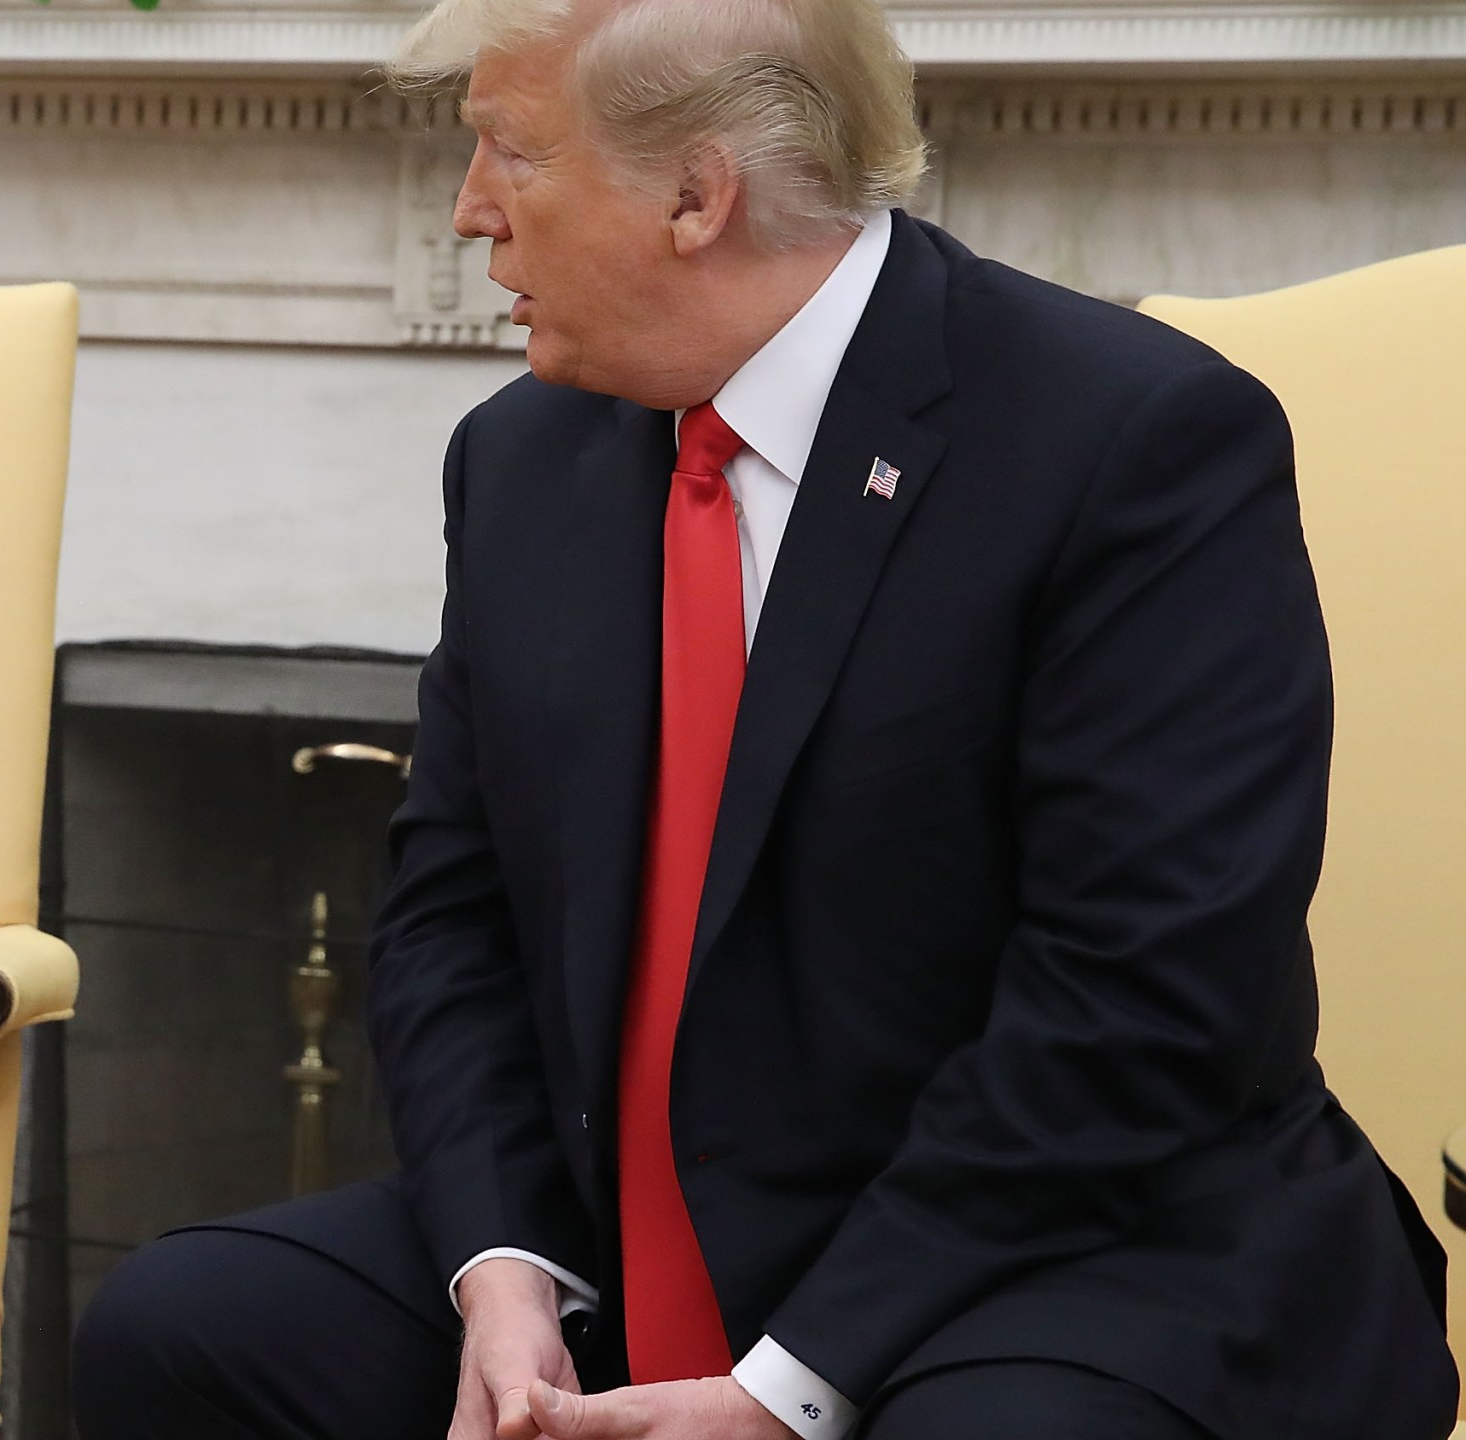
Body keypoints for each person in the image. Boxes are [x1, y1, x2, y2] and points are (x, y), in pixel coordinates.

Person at [72, 0, 1458, 1437]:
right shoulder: (522, 460)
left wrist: (787, 1384)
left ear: (697, 194)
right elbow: (450, 915)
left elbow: (1146, 998)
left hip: (1063, 1244)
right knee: (186, 1336)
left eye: (507, 153)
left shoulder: (1132, 439)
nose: (469, 212)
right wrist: (505, 1270)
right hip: (627, 1234)